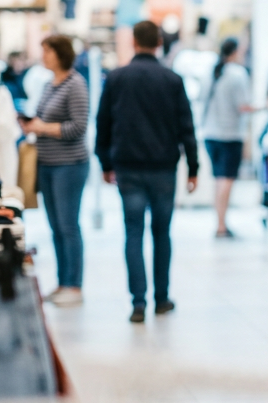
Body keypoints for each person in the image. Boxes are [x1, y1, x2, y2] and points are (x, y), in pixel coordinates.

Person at [95, 19, 199, 324]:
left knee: (133, 233)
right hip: (164, 168)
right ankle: (162, 298)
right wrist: (193, 168)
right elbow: (186, 128)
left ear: (134, 43)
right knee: (162, 234)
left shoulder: (116, 78)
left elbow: (104, 124)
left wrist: (106, 163)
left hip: (128, 167)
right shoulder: (172, 79)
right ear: (159, 43)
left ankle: (138, 302)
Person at [23, 34, 91, 307]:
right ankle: (63, 282)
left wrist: (41, 128)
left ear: (60, 53)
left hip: (69, 165)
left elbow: (78, 126)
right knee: (56, 227)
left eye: (47, 51)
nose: (43, 56)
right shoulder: (50, 84)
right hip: (48, 164)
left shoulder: (75, 84)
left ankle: (74, 285)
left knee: (68, 225)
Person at [200, 37, 254, 238]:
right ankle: (221, 224)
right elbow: (243, 106)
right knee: (226, 181)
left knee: (218, 179)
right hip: (230, 135)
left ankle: (220, 222)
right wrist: (265, 107)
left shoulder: (212, 72)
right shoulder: (237, 74)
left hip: (210, 133)